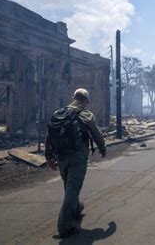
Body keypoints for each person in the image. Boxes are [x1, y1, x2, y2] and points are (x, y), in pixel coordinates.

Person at [45, 88, 106, 238]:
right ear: (86, 101)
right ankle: (65, 227)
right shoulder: (86, 114)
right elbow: (96, 133)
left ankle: (76, 209)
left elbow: (49, 134)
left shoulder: (59, 113)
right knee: (73, 188)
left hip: (61, 156)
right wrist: (103, 148)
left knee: (69, 186)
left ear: (73, 97)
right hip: (78, 157)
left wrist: (49, 157)